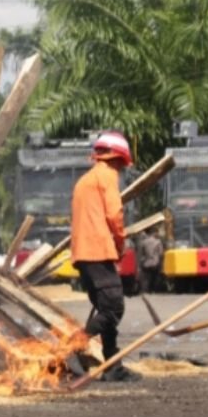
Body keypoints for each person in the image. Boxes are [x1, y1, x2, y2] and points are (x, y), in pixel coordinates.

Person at [71, 131, 140, 383]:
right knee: (113, 309)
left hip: (83, 254)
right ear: (118, 159)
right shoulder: (106, 177)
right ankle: (73, 347)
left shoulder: (84, 181)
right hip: (98, 252)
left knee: (105, 310)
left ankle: (113, 366)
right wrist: (120, 245)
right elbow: (114, 215)